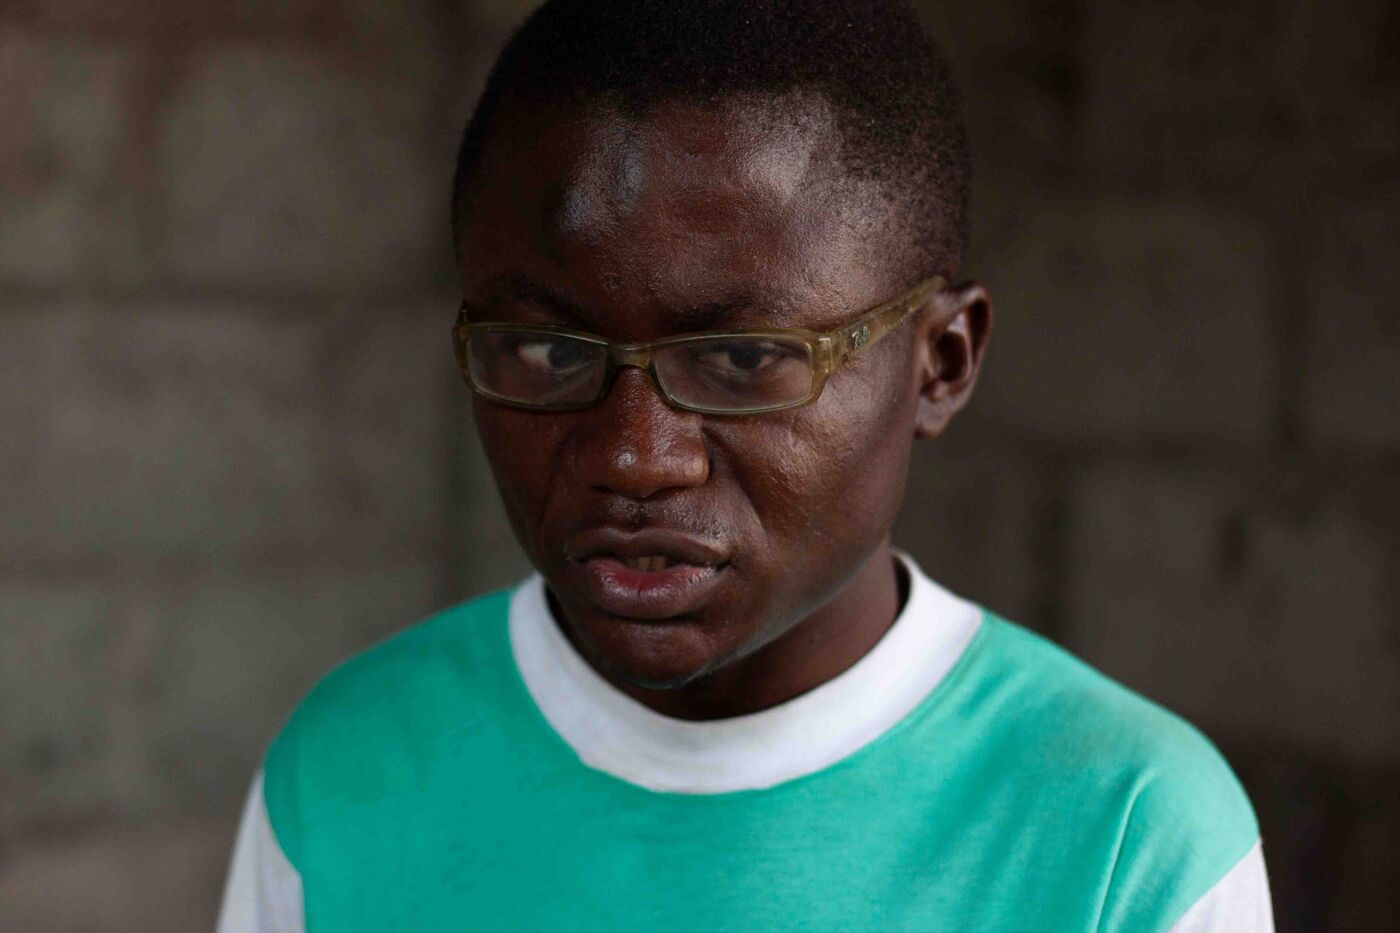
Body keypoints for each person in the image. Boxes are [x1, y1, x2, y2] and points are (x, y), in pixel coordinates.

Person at [217, 1, 1273, 929]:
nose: (636, 457)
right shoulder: (349, 770)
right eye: (547, 353)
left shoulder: (1124, 835)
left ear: (940, 363)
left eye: (744, 358)